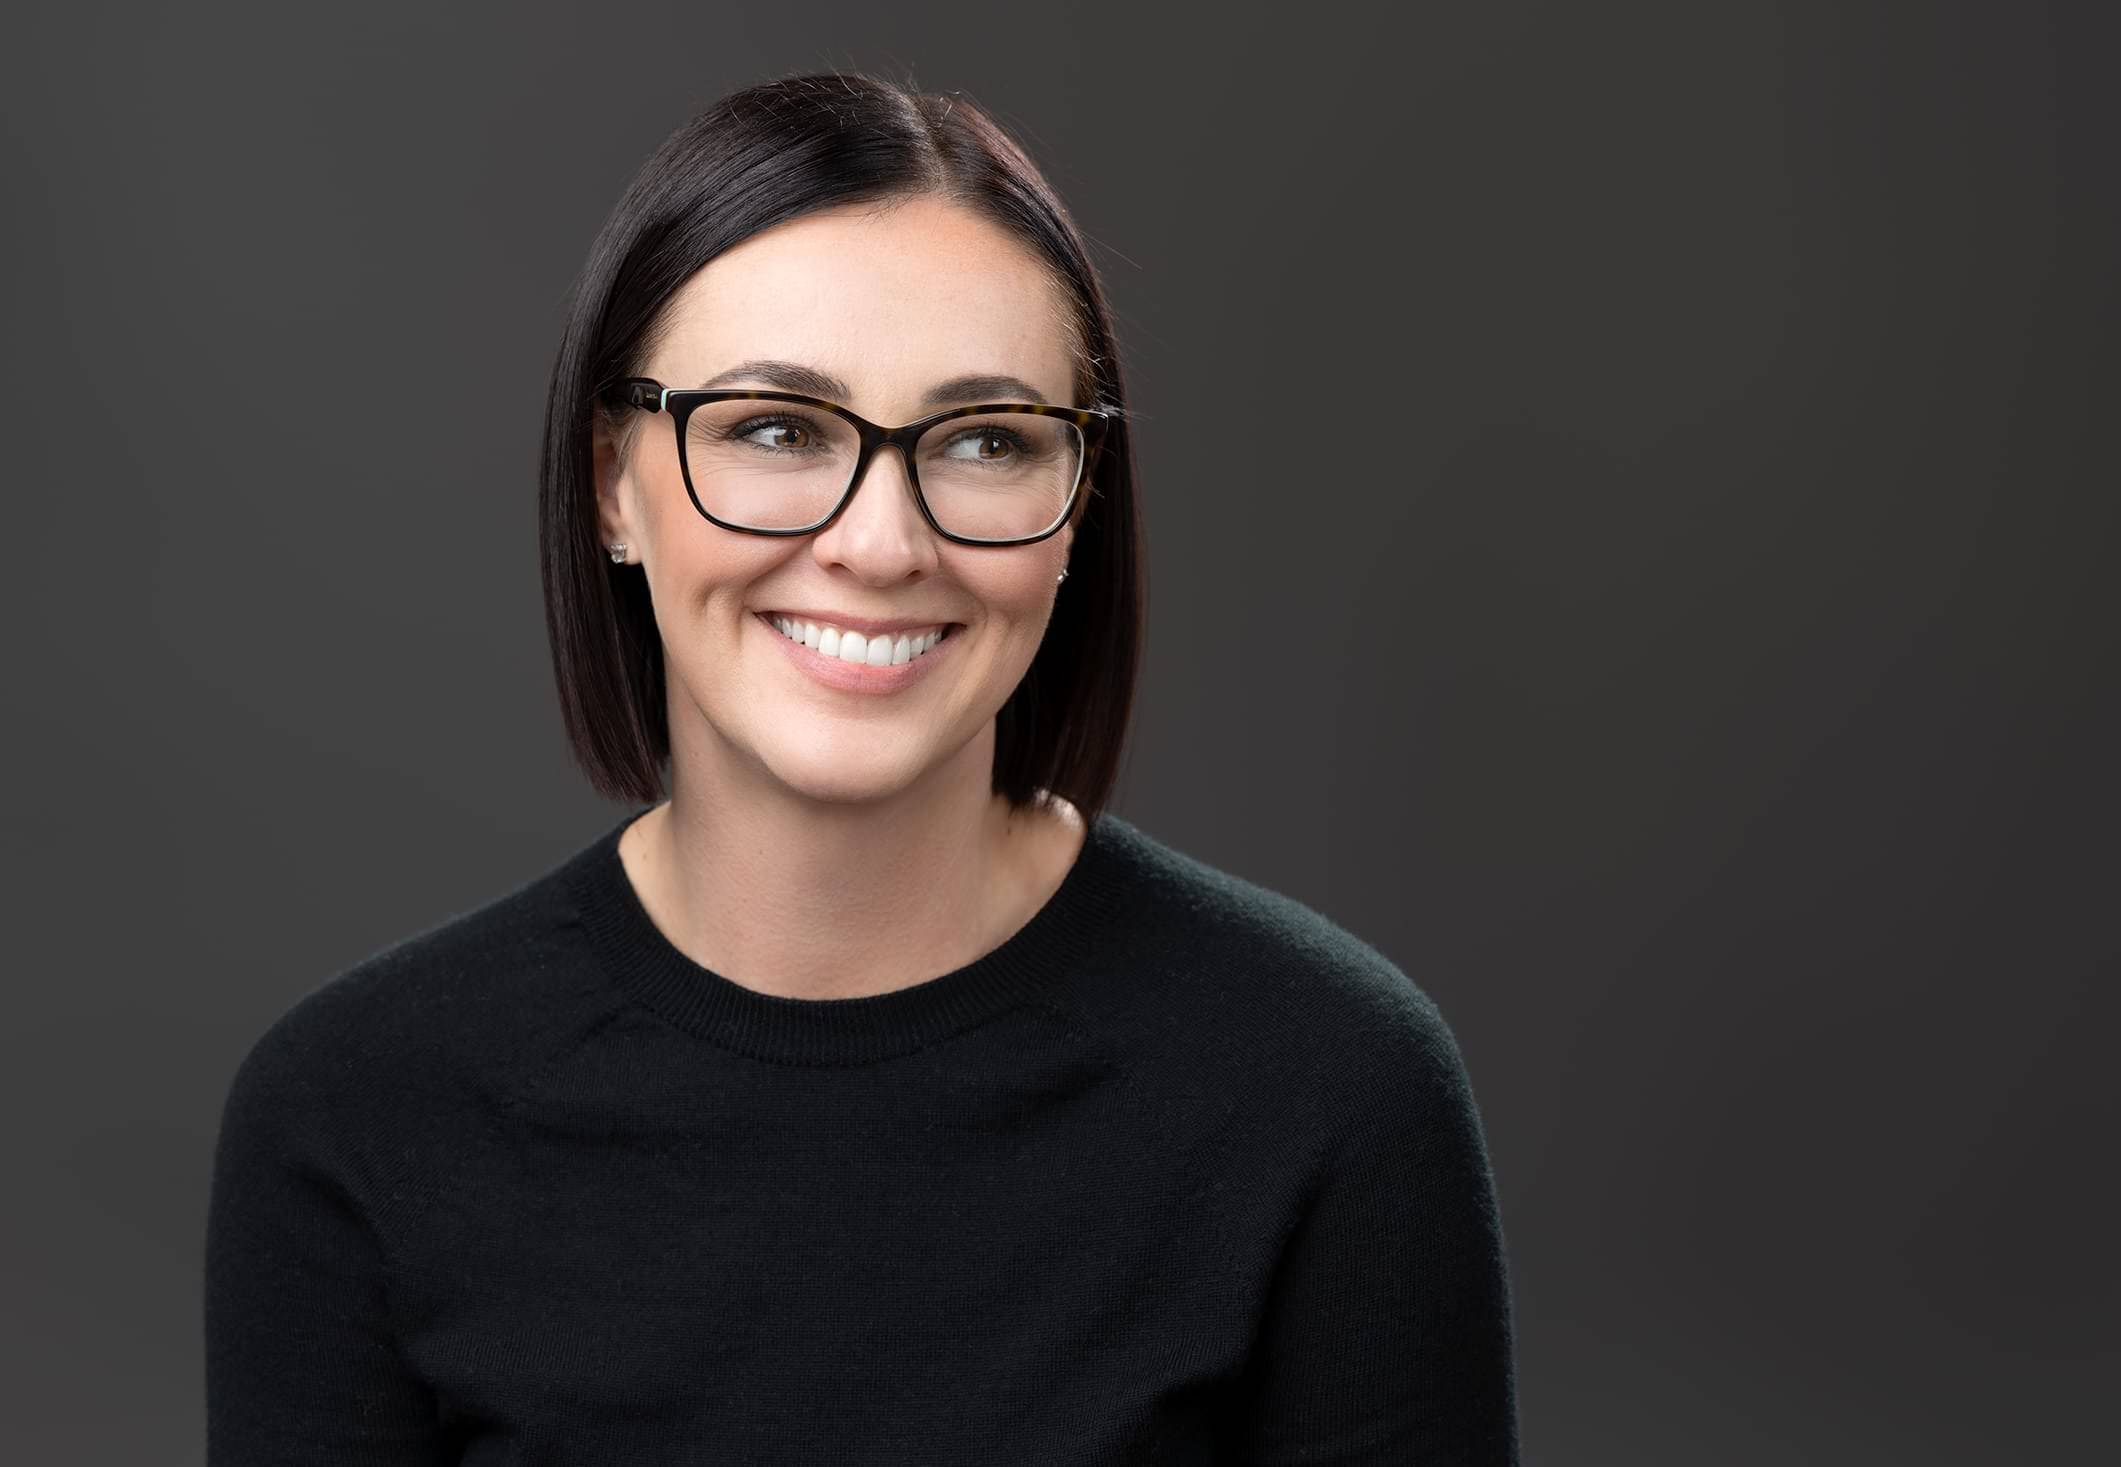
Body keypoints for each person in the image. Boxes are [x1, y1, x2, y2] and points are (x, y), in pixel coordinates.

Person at [204, 70, 1519, 1463]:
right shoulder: (359, 1112)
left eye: (987, 442)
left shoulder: (1331, 1087)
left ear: (1076, 511)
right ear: (611, 483)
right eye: (776, 429)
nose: (884, 544)